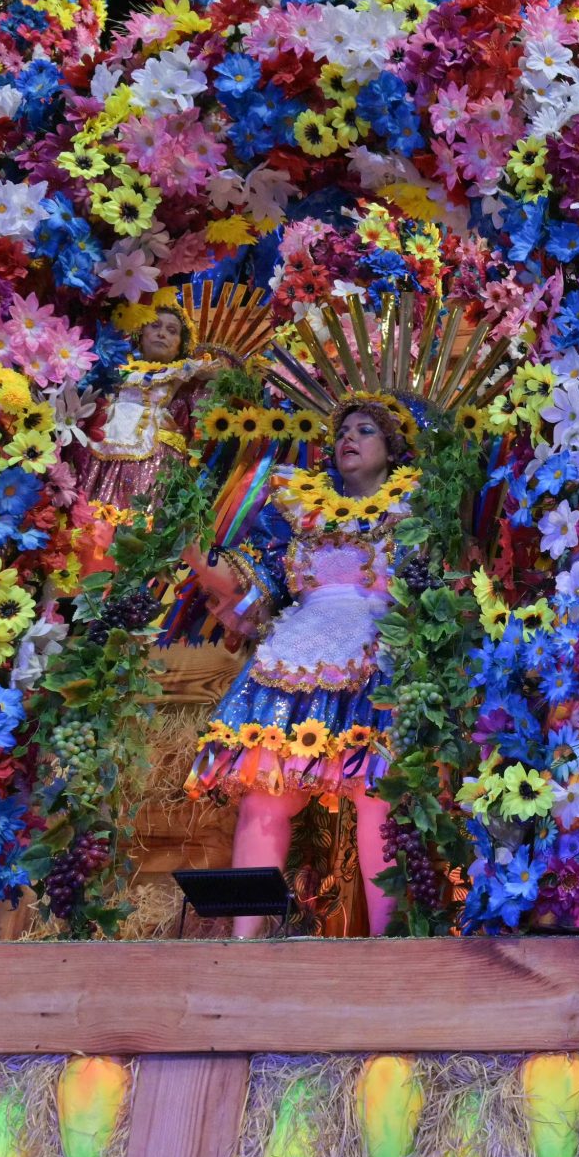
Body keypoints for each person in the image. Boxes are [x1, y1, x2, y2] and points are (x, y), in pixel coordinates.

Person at [182, 398, 417, 938]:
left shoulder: (414, 508)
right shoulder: (295, 507)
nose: (348, 440)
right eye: (342, 432)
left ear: (392, 449)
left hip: (376, 655)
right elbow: (250, 580)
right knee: (265, 791)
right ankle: (245, 941)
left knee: (375, 793)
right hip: (293, 656)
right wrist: (194, 554)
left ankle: (391, 947)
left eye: (365, 430)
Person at [73, 297, 214, 512]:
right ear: (141, 334)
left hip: (152, 451)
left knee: (140, 514)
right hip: (103, 442)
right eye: (155, 326)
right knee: (92, 511)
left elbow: (206, 405)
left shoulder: (183, 372)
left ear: (180, 345)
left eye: (172, 330)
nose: (162, 334)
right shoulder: (115, 364)